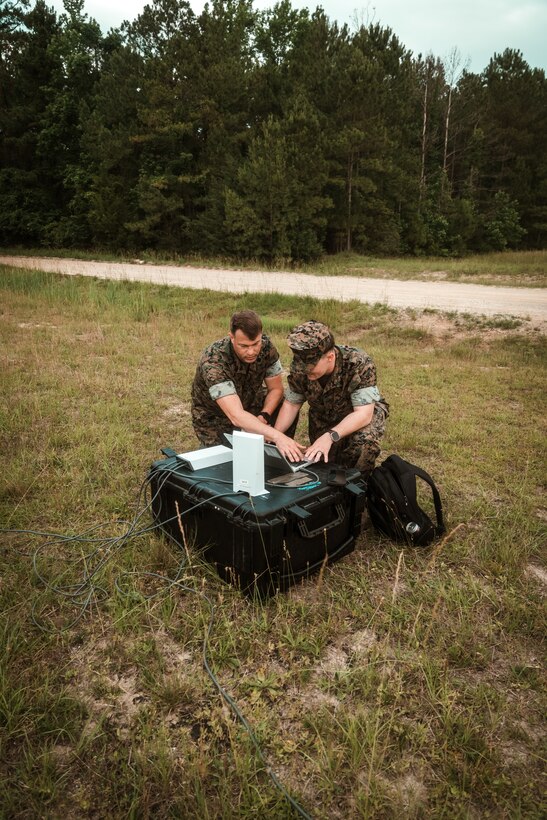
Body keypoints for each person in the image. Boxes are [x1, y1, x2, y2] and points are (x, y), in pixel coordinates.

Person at [274, 320, 389, 477]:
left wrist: (330, 436)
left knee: (362, 446)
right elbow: (291, 404)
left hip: (358, 416)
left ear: (330, 357)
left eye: (310, 367)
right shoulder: (301, 368)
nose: (304, 372)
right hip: (324, 416)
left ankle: (358, 490)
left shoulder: (357, 363)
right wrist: (276, 436)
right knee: (323, 464)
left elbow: (363, 414)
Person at [191, 309, 304, 460]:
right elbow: (235, 415)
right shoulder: (214, 361)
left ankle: (275, 455)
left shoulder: (266, 347)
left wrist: (264, 416)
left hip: (251, 406)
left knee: (283, 401)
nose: (251, 351)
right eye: (244, 346)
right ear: (231, 337)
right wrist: (277, 436)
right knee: (226, 463)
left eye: (255, 343)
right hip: (217, 417)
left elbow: (276, 389)